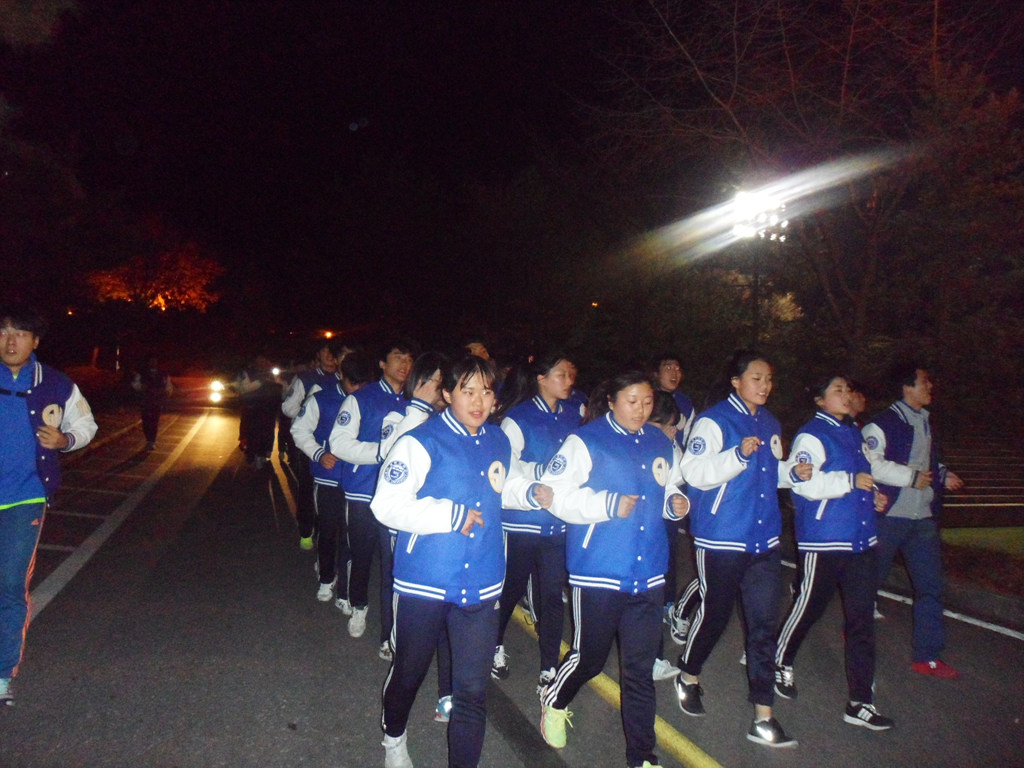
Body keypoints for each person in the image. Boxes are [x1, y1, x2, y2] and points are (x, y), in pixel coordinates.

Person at [372, 355, 551, 768]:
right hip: (426, 581)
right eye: (467, 391)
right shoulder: (420, 441)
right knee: (410, 671)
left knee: (471, 691)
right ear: (447, 393)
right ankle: (394, 738)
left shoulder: (497, 439)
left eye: (486, 391)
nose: (478, 401)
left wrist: (527, 493)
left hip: (482, 582)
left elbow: (502, 485)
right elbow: (386, 504)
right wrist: (449, 515)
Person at [538, 370, 689, 768]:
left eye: (647, 402)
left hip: (649, 571)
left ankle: (642, 757)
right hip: (598, 570)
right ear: (611, 401)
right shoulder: (585, 441)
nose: (640, 410)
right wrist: (604, 504)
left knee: (638, 671)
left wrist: (675, 502)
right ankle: (555, 699)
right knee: (590, 658)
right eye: (631, 401)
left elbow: (671, 484)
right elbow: (554, 495)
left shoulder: (660, 441)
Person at [675, 349, 809, 748]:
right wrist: (736, 454)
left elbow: (767, 472)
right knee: (716, 615)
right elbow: (693, 472)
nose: (765, 386)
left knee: (763, 625)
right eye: (756, 378)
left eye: (769, 379)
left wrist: (791, 473)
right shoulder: (714, 421)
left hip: (764, 539)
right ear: (736, 382)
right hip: (721, 536)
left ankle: (763, 717)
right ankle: (688, 675)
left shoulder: (769, 422)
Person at [774, 375, 895, 730]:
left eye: (848, 390)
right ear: (820, 400)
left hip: (861, 540)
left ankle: (860, 702)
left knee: (861, 622)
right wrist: (849, 482)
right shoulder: (812, 436)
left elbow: (862, 476)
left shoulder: (854, 432)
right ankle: (779, 660)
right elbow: (805, 485)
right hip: (824, 539)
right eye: (837, 391)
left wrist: (872, 496)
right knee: (809, 608)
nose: (846, 395)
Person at [0, 303, 98, 706]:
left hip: (26, 498)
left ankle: (2, 673)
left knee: (10, 584)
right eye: (3, 332)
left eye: (20, 334)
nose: (10, 341)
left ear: (35, 342)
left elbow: (86, 425)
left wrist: (65, 440)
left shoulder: (56, 384)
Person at [863, 362, 963, 677]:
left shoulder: (925, 421)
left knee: (931, 586)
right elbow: (870, 464)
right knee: (869, 580)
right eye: (924, 382)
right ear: (907, 387)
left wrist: (942, 475)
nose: (930, 386)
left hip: (923, 518)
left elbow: (928, 461)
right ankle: (856, 627)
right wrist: (910, 477)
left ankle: (927, 656)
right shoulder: (882, 424)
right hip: (890, 517)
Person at [491, 353, 580, 689]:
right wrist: (538, 476)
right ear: (541, 378)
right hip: (522, 522)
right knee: (511, 589)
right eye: (561, 374)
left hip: (558, 521)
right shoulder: (518, 418)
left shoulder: (574, 415)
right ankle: (494, 644)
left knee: (552, 594)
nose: (569, 381)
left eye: (571, 374)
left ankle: (549, 666)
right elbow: (506, 466)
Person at [331, 339, 415, 658]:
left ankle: (388, 635)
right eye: (397, 356)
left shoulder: (415, 403)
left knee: (394, 567)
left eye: (408, 358)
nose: (404, 364)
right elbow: (339, 443)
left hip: (398, 500)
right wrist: (380, 453)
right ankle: (359, 606)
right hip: (362, 492)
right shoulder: (360, 399)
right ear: (382, 363)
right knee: (361, 556)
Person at [282, 341, 343, 550]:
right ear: (318, 354)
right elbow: (288, 407)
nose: (329, 355)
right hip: (310, 445)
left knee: (331, 493)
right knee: (308, 488)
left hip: (336, 447)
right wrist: (309, 410)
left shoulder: (346, 380)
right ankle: (306, 530)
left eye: (333, 352)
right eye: (325, 350)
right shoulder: (307, 379)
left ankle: (327, 531)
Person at [131, 356, 173, 451]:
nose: (153, 363)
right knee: (146, 421)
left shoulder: (163, 374)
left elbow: (168, 387)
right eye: (151, 361)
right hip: (145, 401)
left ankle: (152, 441)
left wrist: (166, 394)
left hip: (157, 401)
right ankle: (148, 439)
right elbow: (135, 384)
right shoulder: (143, 373)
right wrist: (141, 387)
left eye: (155, 361)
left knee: (154, 421)